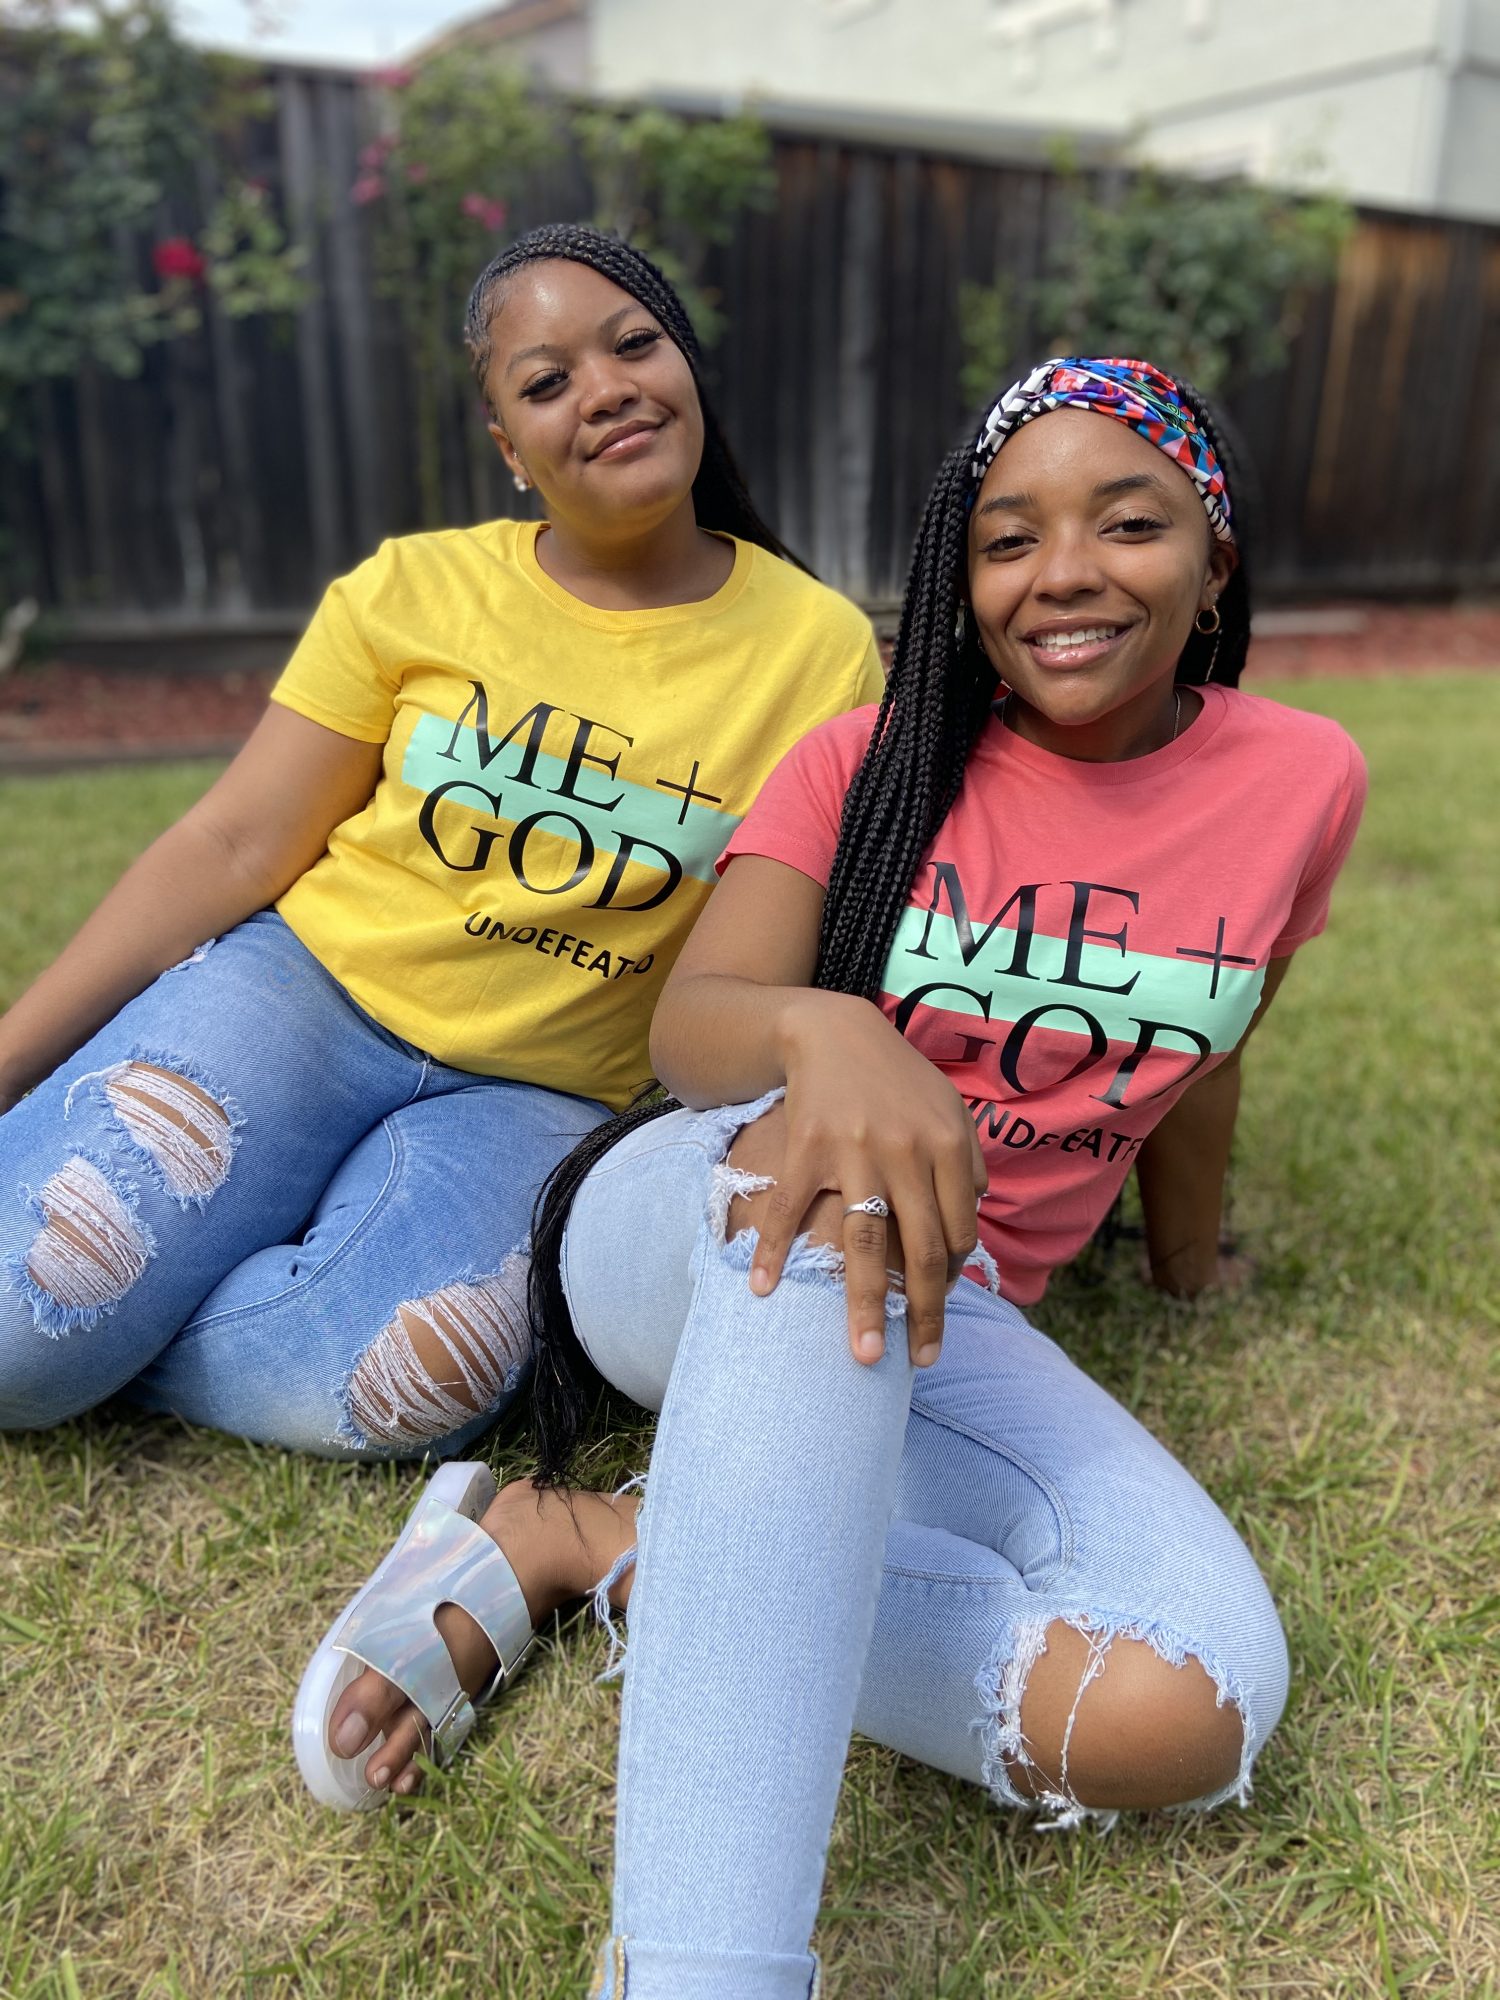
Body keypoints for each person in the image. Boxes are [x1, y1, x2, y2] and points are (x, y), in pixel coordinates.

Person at [304, 357, 1366, 1996]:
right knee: (839, 1184)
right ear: (962, 577)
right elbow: (696, 1029)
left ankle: (573, 1539)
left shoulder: (1302, 780)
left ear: (1215, 562)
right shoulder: (868, 759)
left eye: (1128, 524)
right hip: (697, 1224)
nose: (1063, 574)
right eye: (1008, 540)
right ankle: (700, 1969)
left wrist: (1185, 1263)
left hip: (951, 1316)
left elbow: (1207, 1054)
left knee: (1192, 1699)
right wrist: (831, 1033)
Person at [0, 223, 882, 1484]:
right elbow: (234, 839)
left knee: (414, 1381)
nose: (606, 388)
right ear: (509, 448)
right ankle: (106, 1287)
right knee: (20, 1332)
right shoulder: (413, 588)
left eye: (635, 345)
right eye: (548, 380)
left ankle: (143, 1297)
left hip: (542, 1097)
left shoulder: (821, 652)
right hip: (304, 997)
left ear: (688, 367)